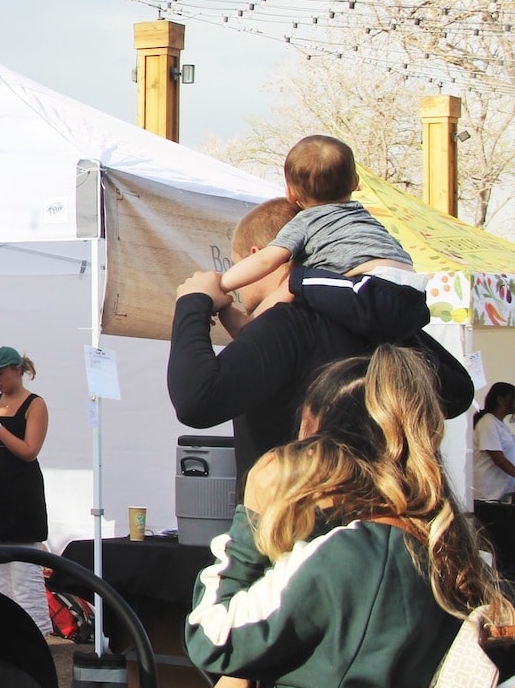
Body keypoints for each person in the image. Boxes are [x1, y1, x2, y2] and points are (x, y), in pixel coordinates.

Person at [185, 345, 511, 688]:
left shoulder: (353, 554)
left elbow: (212, 635)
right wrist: (241, 673)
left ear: (320, 434)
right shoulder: (448, 543)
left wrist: (250, 521)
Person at [168, 196, 473, 486]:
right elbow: (458, 391)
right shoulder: (371, 321)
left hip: (292, 524)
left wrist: (193, 304)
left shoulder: (288, 323)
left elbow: (197, 402)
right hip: (381, 521)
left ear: (256, 256)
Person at [218, 135, 425, 342]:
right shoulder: (363, 216)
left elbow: (265, 259)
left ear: (290, 193)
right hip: (415, 297)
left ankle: (250, 326)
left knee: (296, 280)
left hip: (373, 289)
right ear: (355, 183)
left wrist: (222, 284)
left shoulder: (306, 221)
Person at [0, 346, 52, 636]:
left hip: (21, 491)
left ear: (17, 370)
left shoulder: (35, 404)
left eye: (1, 374)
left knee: (26, 574)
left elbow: (29, 451)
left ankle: (38, 635)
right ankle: (4, 635)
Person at [472, 381, 515, 503]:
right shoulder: (487, 422)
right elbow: (498, 459)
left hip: (501, 493)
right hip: (487, 495)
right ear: (500, 399)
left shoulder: (500, 425)